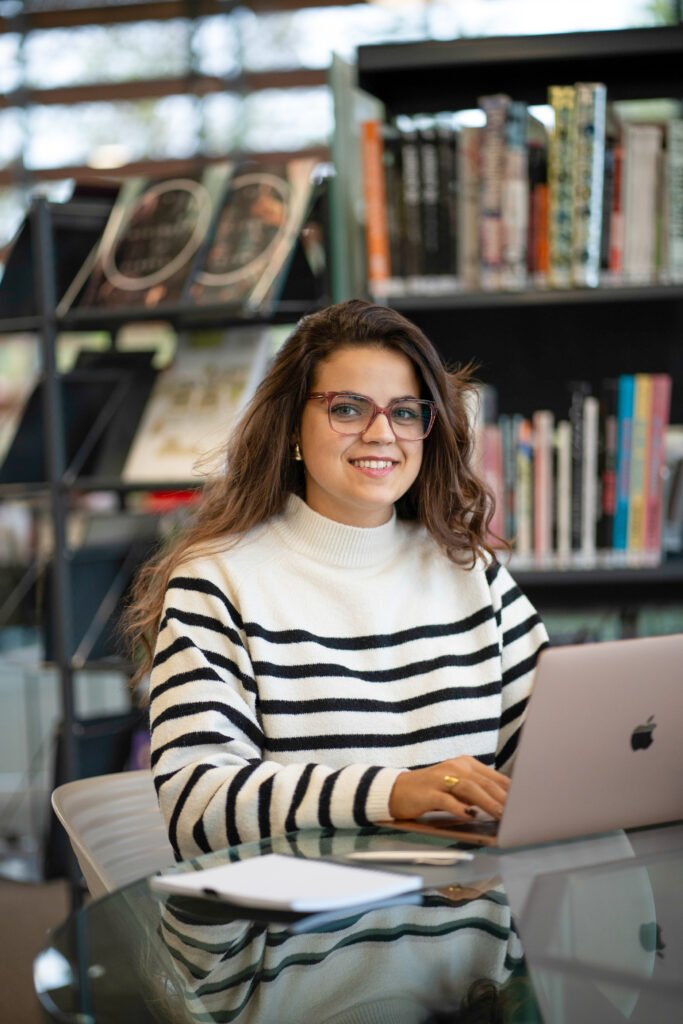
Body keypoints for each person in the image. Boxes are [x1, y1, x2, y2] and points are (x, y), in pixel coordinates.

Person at [125, 299, 548, 861]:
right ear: (293, 425)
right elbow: (197, 809)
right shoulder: (217, 582)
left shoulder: (472, 574)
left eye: (404, 412)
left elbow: (553, 754)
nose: (381, 433)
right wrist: (395, 793)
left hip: (469, 923)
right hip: (305, 941)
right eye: (348, 409)